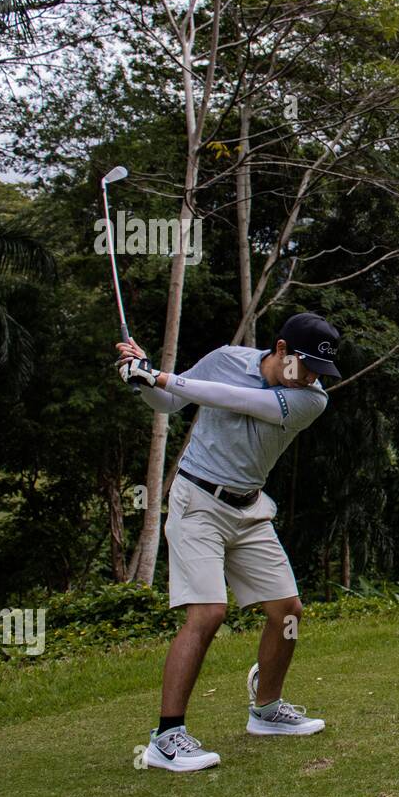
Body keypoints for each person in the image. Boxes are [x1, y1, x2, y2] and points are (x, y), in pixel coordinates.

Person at [115, 312, 341, 772]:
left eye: (321, 371)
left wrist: (160, 374)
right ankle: (167, 736)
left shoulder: (309, 401)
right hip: (197, 501)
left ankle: (266, 710)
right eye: (306, 365)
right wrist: (141, 377)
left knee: (287, 613)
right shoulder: (225, 359)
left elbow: (228, 399)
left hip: (250, 510)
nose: (313, 378)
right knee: (208, 612)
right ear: (280, 350)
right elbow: (167, 403)